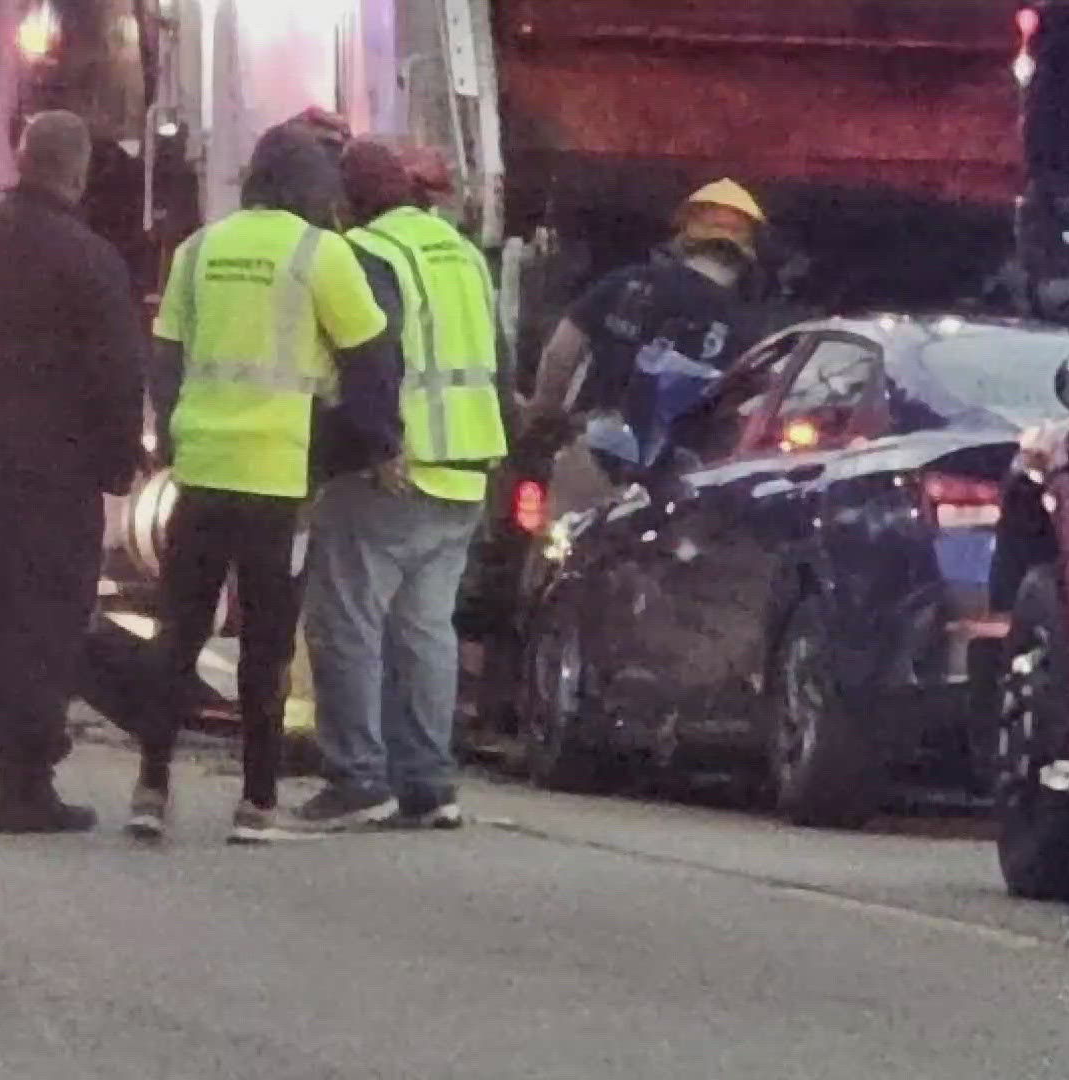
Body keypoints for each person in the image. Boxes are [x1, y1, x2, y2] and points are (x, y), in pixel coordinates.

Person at [130, 121, 397, 844]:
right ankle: (257, 803)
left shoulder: (200, 249)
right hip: (279, 477)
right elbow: (373, 356)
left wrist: (177, 436)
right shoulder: (323, 254)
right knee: (266, 643)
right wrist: (372, 444)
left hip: (202, 470)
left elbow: (165, 356)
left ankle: (150, 788)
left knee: (178, 632)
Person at [0, 111, 146, 832]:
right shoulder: (90, 260)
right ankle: (25, 783)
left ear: (21, 160)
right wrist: (116, 464)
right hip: (62, 467)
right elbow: (117, 374)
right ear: (76, 173)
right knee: (46, 620)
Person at [291, 139, 506, 831]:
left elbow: (370, 360)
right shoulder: (461, 251)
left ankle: (357, 778)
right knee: (425, 629)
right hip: (465, 467)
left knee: (346, 621)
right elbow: (499, 355)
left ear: (348, 201)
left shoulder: (369, 253)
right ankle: (428, 783)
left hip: (399, 466)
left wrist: (370, 447)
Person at [523, 180, 768, 498]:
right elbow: (745, 410)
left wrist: (543, 419)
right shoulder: (744, 325)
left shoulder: (627, 283)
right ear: (745, 251)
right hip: (680, 481)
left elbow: (560, 354)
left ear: (686, 236)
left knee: (563, 541)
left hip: (593, 456)